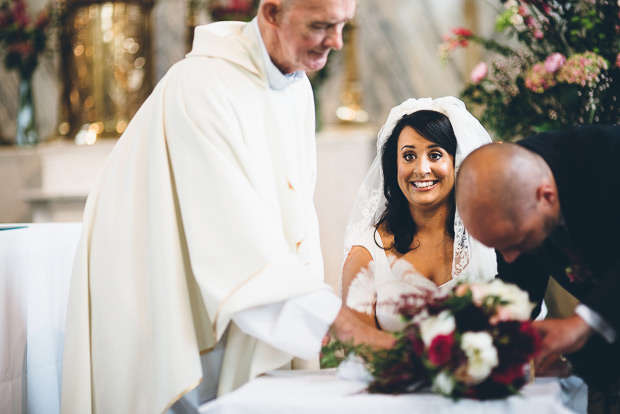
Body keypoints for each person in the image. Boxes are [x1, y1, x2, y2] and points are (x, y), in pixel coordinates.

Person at [60, 1, 395, 413]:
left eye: (343, 25)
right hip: (164, 302)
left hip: (235, 297)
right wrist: (348, 329)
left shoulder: (295, 86)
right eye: (321, 26)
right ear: (271, 14)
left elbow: (289, 215)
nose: (337, 42)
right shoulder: (203, 85)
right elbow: (236, 244)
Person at [455, 124, 620, 390]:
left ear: (546, 196)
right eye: (498, 247)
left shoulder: (609, 157)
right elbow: (519, 287)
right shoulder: (514, 203)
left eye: (516, 243)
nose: (508, 258)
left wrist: (582, 322)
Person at [341, 97, 497, 331]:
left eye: (435, 155)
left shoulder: (489, 241)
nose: (421, 169)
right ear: (394, 167)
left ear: (457, 162)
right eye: (409, 156)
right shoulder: (367, 255)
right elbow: (357, 350)